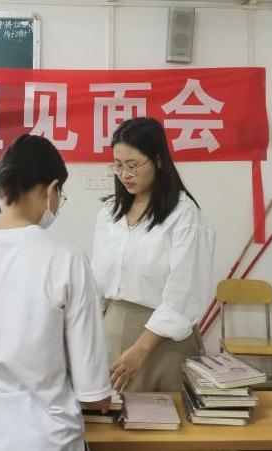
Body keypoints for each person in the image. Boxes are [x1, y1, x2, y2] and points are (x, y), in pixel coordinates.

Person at [0, 134, 112, 451]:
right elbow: (92, 390)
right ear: (51, 189)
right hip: (44, 438)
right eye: (60, 195)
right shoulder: (66, 258)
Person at [91, 117, 215, 393]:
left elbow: (184, 293)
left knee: (164, 413)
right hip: (111, 330)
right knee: (113, 415)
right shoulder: (109, 214)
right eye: (118, 165)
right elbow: (97, 285)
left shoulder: (184, 216)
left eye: (133, 165)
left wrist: (141, 350)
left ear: (158, 161)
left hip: (162, 342)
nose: (124, 174)